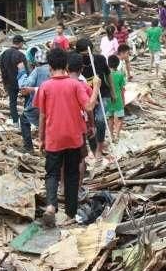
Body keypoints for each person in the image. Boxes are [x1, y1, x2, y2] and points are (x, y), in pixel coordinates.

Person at [34, 48, 100, 227]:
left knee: (52, 173)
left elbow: (42, 115)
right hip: (73, 138)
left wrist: (41, 139)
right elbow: (89, 107)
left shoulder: (45, 87)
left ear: (50, 66)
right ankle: (70, 213)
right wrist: (96, 87)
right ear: (66, 65)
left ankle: (51, 207)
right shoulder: (75, 85)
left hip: (53, 138)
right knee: (71, 174)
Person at [76, 38, 114, 163]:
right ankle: (93, 149)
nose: (86, 57)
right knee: (89, 125)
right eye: (83, 55)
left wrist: (113, 92)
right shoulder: (77, 64)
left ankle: (99, 147)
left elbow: (108, 75)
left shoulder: (100, 59)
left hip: (102, 94)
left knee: (100, 120)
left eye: (88, 54)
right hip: (86, 98)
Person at [67, 52, 93, 188]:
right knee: (81, 158)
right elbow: (90, 108)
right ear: (81, 69)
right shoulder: (83, 86)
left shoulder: (58, 84)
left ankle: (63, 187)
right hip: (79, 126)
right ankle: (78, 186)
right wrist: (92, 125)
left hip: (62, 127)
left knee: (64, 158)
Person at [18, 49, 51, 153]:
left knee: (24, 119)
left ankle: (29, 147)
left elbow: (25, 87)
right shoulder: (53, 69)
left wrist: (22, 73)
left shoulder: (38, 70)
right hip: (53, 105)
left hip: (38, 104)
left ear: (36, 61)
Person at [0, 35, 28, 127]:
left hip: (9, 83)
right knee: (27, 101)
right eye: (22, 43)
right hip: (20, 83)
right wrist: (25, 83)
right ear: (20, 43)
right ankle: (26, 121)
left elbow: (2, 70)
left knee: (12, 102)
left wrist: (5, 83)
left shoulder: (4, 54)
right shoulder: (20, 55)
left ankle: (15, 123)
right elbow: (23, 71)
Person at [106, 55, 126, 143]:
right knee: (120, 118)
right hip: (118, 100)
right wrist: (123, 100)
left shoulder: (105, 75)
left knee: (110, 118)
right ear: (118, 64)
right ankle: (117, 135)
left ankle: (111, 135)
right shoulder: (120, 75)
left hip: (108, 100)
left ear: (108, 64)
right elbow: (122, 89)